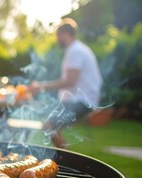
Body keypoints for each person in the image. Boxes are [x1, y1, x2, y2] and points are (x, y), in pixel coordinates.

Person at [28, 18, 103, 149]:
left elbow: (69, 81)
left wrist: (40, 87)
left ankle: (68, 158)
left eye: (58, 35)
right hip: (80, 100)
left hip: (82, 101)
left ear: (66, 34)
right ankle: (66, 156)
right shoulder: (77, 49)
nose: (57, 39)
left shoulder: (75, 51)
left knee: (49, 126)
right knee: (49, 125)